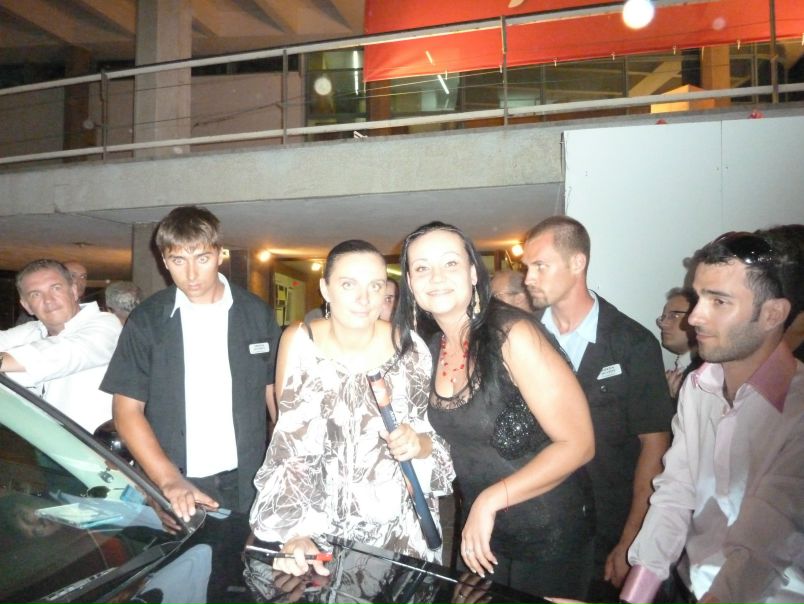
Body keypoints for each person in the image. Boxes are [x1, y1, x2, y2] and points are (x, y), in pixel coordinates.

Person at [395, 221, 595, 598]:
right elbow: (453, 440)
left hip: (549, 533)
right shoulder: (430, 348)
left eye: (450, 263)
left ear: (474, 273)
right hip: (483, 536)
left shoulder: (512, 334)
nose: (436, 277)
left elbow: (579, 444)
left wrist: (489, 501)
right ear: (410, 281)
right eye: (421, 267)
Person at [249, 240, 454, 576]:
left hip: (398, 529)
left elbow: (435, 438)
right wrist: (295, 531)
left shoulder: (410, 348)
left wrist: (416, 443)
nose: (364, 298)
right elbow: (290, 448)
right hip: (320, 529)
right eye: (349, 284)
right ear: (325, 289)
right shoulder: (300, 342)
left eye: (375, 286)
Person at [622, 231, 804, 604]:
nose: (694, 318)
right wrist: (633, 599)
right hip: (692, 589)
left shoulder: (798, 407)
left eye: (719, 301)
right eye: (698, 298)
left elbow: (762, 549)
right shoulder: (698, 387)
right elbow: (675, 494)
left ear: (772, 314)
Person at [522, 216, 674, 601]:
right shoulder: (522, 338)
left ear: (577, 263)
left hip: (606, 529)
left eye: (540, 266)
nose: (528, 278)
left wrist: (632, 537)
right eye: (527, 267)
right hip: (538, 527)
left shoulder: (632, 343)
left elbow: (654, 444)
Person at [101, 206, 282, 521]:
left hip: (249, 480)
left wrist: (287, 464)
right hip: (175, 483)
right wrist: (168, 479)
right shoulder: (147, 320)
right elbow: (126, 410)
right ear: (164, 261)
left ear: (219, 254)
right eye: (178, 261)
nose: (192, 274)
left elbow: (276, 396)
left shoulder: (257, 314)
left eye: (202, 258)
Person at [0, 259, 121, 432]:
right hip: (47, 443)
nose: (48, 300)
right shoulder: (33, 330)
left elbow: (64, 353)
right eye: (35, 294)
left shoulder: (106, 325)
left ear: (73, 291)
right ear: (27, 306)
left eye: (56, 288)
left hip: (95, 445)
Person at [657, 287, 700, 398]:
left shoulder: (711, 372)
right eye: (663, 317)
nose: (663, 324)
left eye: (674, 316)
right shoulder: (684, 367)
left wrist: (675, 399)